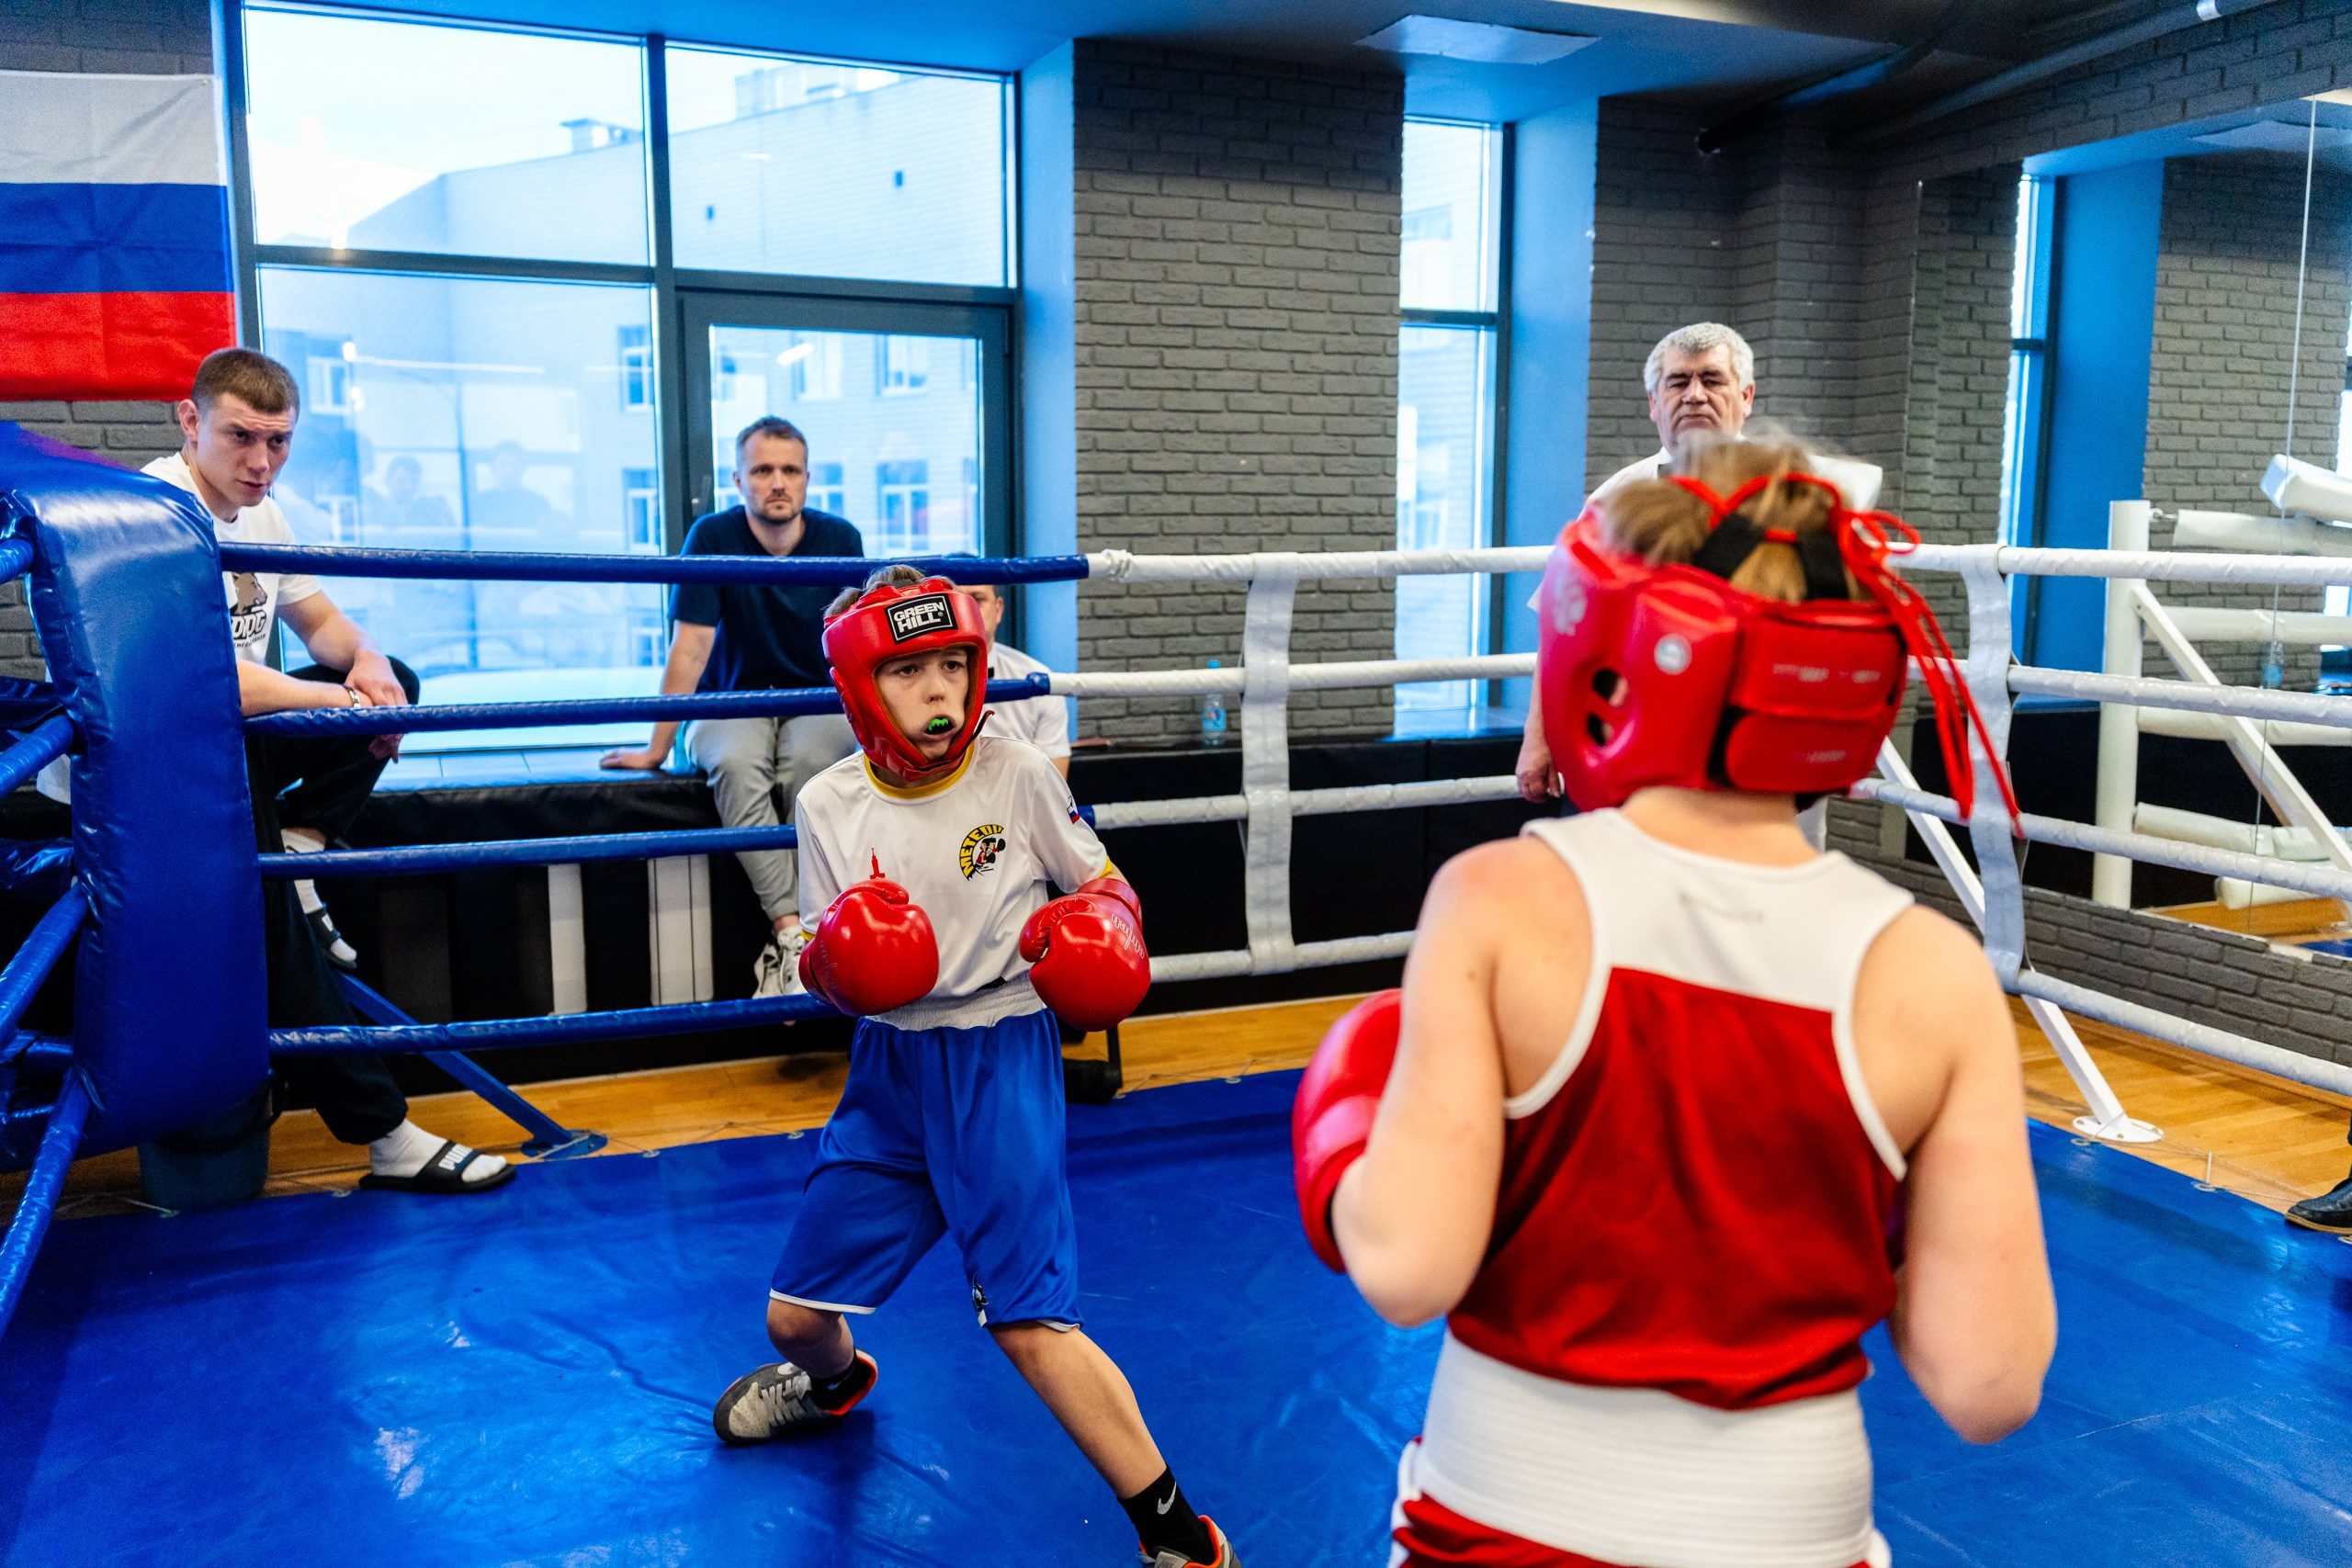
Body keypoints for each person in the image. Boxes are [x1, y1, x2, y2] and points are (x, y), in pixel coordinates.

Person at [1295, 440, 2054, 1567]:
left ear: (1606, 650)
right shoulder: (1932, 973)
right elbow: (1988, 1383)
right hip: (1798, 1532)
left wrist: (1347, 1126)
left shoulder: (1501, 902)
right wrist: (1858, 1206)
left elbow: (1408, 1272)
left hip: (1504, 1525)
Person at [708, 568, 1237, 1568]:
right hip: (890, 1072)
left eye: (953, 666)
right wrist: (837, 962)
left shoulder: (1015, 773)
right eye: (911, 672)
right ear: (863, 686)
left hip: (1000, 1058)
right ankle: (836, 1384)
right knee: (794, 1318)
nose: (941, 691)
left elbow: (1106, 883)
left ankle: (1180, 1536)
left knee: (1030, 1324)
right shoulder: (827, 803)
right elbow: (820, 957)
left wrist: (1101, 926)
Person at [154, 348, 510, 1194]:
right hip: (157, 773)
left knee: (395, 684)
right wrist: (341, 701)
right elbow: (210, 680)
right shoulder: (157, 515)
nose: (261, 462)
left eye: (278, 442)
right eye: (241, 438)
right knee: (271, 909)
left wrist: (371, 666)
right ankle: (385, 1133)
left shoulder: (263, 514)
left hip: (231, 748)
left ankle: (303, 840)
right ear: (190, 421)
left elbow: (324, 629)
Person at [1514, 322, 1883, 803]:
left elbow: (1841, 621)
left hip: (1766, 732)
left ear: (1746, 396)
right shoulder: (1616, 499)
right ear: (1653, 402)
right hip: (1638, 728)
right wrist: (1537, 735)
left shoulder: (1799, 495)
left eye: (1712, 380)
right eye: (1677, 382)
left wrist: (1835, 736)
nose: (1694, 396)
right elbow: (1562, 623)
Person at [600, 417, 864, 998]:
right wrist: (656, 748)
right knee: (739, 764)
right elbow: (690, 648)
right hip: (731, 701)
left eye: (790, 470)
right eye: (763, 470)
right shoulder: (712, 534)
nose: (778, 482)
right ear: (739, 480)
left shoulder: (841, 538)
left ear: (808, 478)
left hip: (813, 699)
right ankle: (795, 936)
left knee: (812, 770)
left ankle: (810, 931)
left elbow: (857, 643)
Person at [946, 558, 1071, 778]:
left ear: (998, 609)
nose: (967, 611)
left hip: (1017, 798)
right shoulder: (909, 682)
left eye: (977, 599)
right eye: (955, 601)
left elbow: (1053, 781)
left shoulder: (1039, 680)